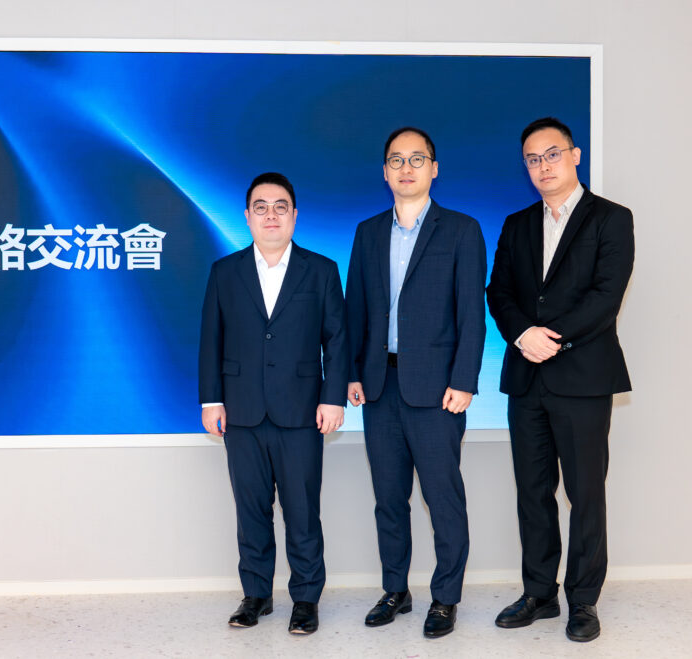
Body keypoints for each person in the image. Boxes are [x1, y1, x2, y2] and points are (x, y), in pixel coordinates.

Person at [486, 117, 634, 643]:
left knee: (585, 493)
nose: (542, 166)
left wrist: (552, 338)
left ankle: (584, 600)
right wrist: (522, 334)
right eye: (532, 159)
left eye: (551, 154)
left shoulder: (611, 218)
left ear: (574, 156)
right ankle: (539, 593)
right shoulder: (516, 224)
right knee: (533, 491)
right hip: (526, 378)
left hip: (583, 378)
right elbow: (499, 292)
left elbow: (606, 296)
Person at [344, 127, 487, 638]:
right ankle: (395, 590)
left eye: (417, 159)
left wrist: (464, 381)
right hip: (380, 387)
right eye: (396, 160)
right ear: (384, 171)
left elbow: (472, 314)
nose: (406, 168)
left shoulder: (462, 230)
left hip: (438, 391)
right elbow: (356, 310)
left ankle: (445, 597)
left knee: (442, 498)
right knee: (389, 498)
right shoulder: (367, 232)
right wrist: (352, 372)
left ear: (434, 168)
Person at [198, 172, 348, 635]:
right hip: (241, 411)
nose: (271, 215)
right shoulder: (225, 272)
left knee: (302, 510)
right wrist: (211, 400)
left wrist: (333, 399)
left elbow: (337, 341)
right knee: (251, 510)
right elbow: (210, 340)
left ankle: (306, 599)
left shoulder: (320, 270)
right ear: (247, 217)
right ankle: (256, 595)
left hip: (302, 411)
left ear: (294, 215)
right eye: (261, 207)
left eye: (280, 206)